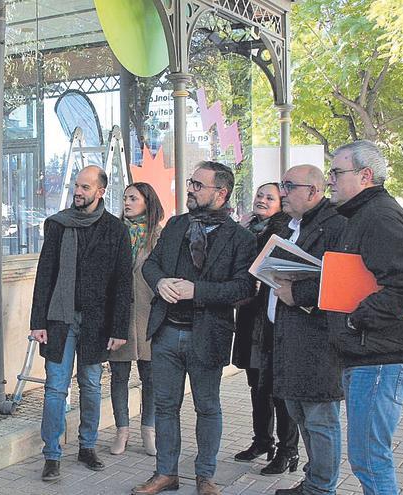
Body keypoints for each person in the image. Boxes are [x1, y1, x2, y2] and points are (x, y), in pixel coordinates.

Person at [132, 161, 257, 495]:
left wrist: (196, 291)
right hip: (166, 332)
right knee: (165, 407)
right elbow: (152, 265)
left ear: (221, 192)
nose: (190, 189)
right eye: (191, 182)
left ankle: (205, 477)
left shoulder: (240, 238)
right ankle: (165, 474)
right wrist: (159, 283)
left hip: (208, 335)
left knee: (208, 407)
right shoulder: (176, 225)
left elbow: (244, 288)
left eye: (198, 185)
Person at [326, 141, 403, 494]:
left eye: (337, 173)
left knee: (370, 459)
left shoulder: (380, 216)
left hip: (383, 357)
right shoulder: (364, 214)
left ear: (365, 175)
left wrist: (357, 320)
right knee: (367, 457)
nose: (331, 181)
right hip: (371, 355)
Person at [30, 165, 132, 482]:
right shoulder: (57, 225)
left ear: (100, 192)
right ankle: (52, 455)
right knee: (55, 389)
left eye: (86, 187)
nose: (78, 191)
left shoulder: (116, 230)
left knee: (90, 386)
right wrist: (38, 322)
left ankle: (87, 446)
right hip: (60, 320)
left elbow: (122, 284)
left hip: (95, 323)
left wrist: (118, 329)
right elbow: (44, 275)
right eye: (77, 185)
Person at [269, 165, 347, 495]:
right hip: (291, 339)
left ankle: (321, 488)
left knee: (320, 420)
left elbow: (341, 281)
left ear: (313, 191)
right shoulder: (292, 226)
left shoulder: (337, 226)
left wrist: (296, 294)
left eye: (289, 186)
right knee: (300, 414)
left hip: (319, 343)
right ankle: (313, 480)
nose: (283, 192)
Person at [231, 182, 299, 473]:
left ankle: (288, 450)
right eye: (258, 194)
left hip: (274, 319)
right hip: (251, 317)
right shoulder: (250, 228)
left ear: (281, 203)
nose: (261, 200)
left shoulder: (283, 229)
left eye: (269, 197)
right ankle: (262, 440)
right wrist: (243, 228)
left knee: (278, 388)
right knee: (256, 385)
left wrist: (245, 232)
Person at [108, 182, 164, 456]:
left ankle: (149, 431)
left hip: (149, 316)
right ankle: (122, 431)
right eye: (125, 198)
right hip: (119, 317)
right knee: (118, 376)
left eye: (133, 198)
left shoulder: (159, 236)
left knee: (150, 378)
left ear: (147, 202)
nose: (127, 203)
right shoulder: (115, 233)